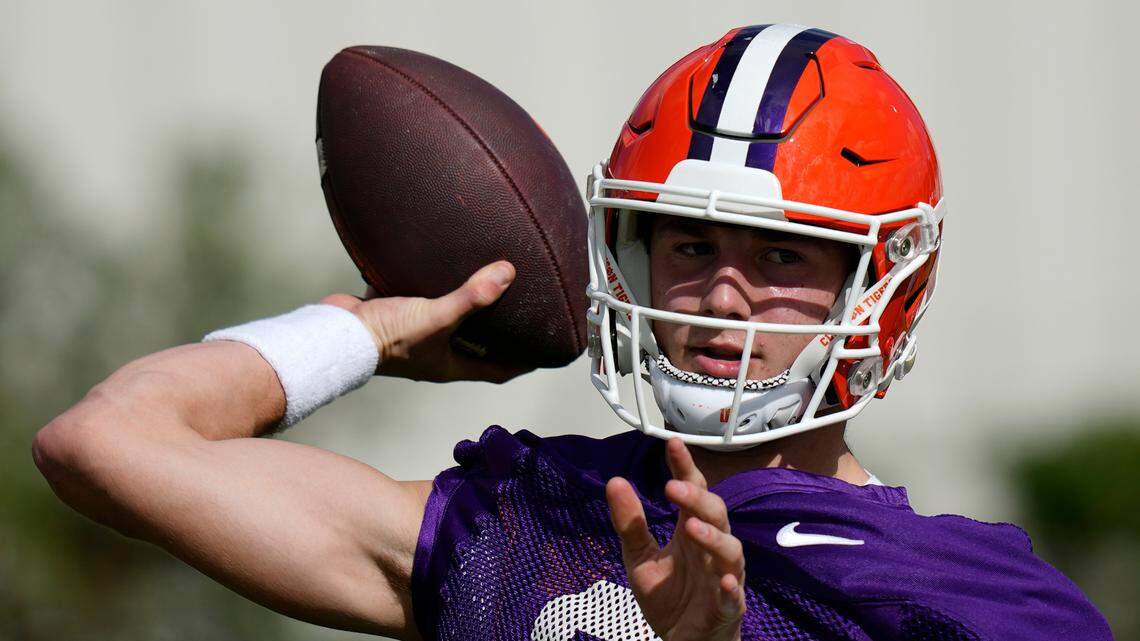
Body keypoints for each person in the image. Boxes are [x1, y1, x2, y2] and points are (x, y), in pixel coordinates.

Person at [32, 24, 1111, 641]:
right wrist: (361, 332)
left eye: (781, 257)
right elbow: (105, 443)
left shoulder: (976, 597)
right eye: (688, 245)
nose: (721, 297)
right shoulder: (524, 512)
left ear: (881, 288)